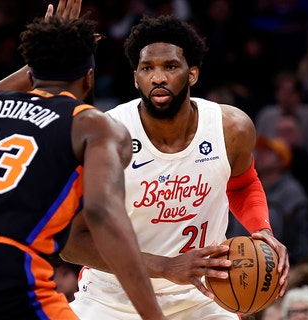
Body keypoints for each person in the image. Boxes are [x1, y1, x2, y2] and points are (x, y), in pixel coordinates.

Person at [0, 1, 166, 320]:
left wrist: (44, 52)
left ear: (32, 70)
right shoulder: (93, 124)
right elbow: (100, 214)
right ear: (89, 78)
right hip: (1, 265)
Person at [63, 14, 289, 319]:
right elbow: (71, 241)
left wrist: (262, 230)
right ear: (135, 78)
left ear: (192, 74)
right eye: (147, 68)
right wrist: (166, 267)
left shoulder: (230, 127)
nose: (158, 77)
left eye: (170, 66)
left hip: (204, 293)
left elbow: (242, 184)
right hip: (112, 296)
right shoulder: (105, 134)